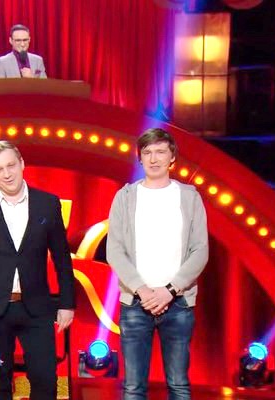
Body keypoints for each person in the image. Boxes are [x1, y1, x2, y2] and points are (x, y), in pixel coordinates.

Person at [0, 140, 75, 400]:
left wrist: (67, 303)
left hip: (37, 309)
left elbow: (62, 258)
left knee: (46, 380)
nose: (7, 174)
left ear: (22, 164)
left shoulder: (48, 203)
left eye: (11, 165)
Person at [106, 128, 209, 400]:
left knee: (178, 385)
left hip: (178, 303)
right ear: (139, 157)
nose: (153, 159)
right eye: (147, 152)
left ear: (172, 157)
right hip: (135, 303)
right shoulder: (125, 197)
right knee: (133, 387)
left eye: (160, 152)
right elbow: (114, 250)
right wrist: (142, 290)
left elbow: (200, 250)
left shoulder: (189, 197)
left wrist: (169, 291)